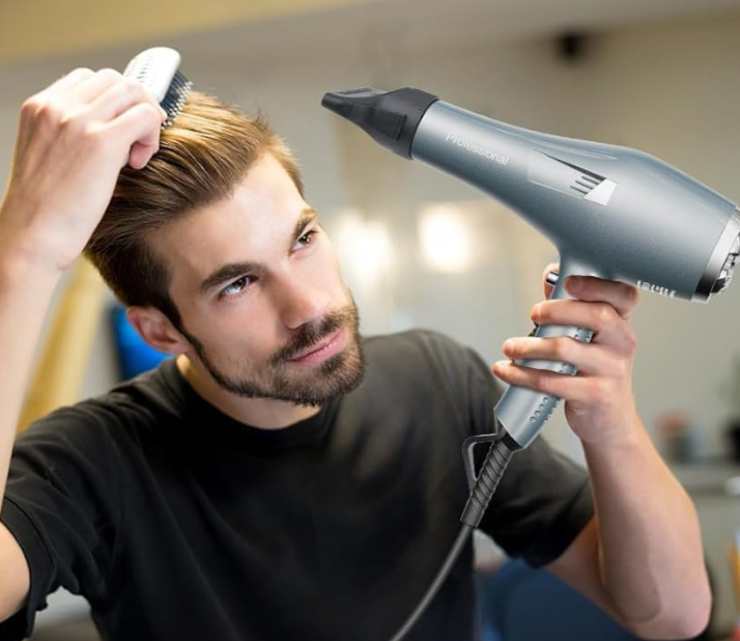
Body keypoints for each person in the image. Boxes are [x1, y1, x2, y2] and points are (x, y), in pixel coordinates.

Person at [0, 67, 710, 641]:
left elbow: (670, 615)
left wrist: (610, 418)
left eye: (302, 239)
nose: (308, 306)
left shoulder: (438, 381)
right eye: (239, 283)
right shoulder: (93, 460)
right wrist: (24, 255)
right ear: (160, 330)